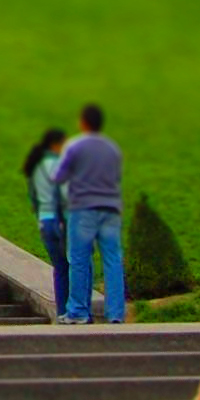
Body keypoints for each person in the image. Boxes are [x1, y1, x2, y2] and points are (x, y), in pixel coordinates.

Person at [55, 104, 127, 324]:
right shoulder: (113, 148)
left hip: (83, 208)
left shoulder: (75, 145)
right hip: (111, 208)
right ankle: (115, 313)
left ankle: (78, 311)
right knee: (113, 259)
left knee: (79, 258)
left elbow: (59, 176)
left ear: (83, 122)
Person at [25, 126, 72, 319]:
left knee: (59, 268)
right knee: (73, 265)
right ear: (56, 144)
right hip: (59, 220)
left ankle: (61, 312)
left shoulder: (35, 165)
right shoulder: (56, 164)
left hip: (44, 221)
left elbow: (33, 196)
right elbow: (65, 194)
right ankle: (74, 310)